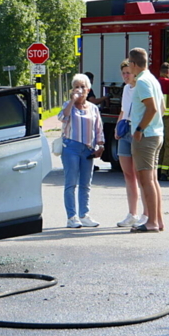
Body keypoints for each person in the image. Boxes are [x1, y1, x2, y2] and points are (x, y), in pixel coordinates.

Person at [58, 73, 105, 228]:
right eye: (76, 87)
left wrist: (101, 144)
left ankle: (84, 214)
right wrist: (72, 100)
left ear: (88, 89)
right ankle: (71, 217)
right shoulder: (68, 105)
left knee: (86, 183)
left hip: (88, 149)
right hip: (71, 147)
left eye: (82, 87)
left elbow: (98, 128)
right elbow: (63, 118)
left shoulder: (93, 108)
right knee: (71, 182)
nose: (79, 90)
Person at [128, 48, 165, 233]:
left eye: (129, 64)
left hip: (147, 135)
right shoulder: (153, 79)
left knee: (146, 180)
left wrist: (139, 129)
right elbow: (162, 107)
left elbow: (152, 109)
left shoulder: (142, 81)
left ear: (134, 64)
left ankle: (151, 222)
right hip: (156, 133)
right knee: (153, 180)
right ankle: (157, 220)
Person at [114, 60, 146, 228]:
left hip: (137, 131)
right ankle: (132, 213)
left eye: (128, 72)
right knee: (128, 174)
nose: (126, 76)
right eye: (123, 73)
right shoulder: (126, 89)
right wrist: (117, 128)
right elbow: (123, 110)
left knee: (141, 174)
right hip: (125, 130)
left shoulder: (141, 87)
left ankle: (146, 213)